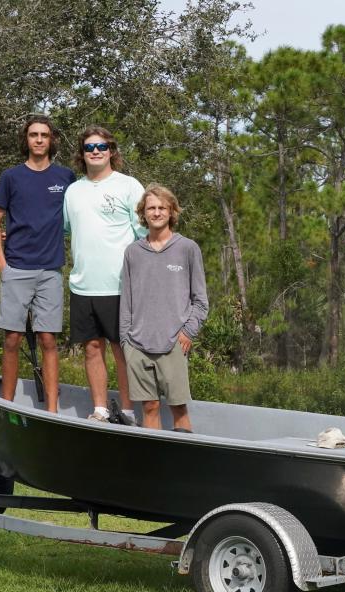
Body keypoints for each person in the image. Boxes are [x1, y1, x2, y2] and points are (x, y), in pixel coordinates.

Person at [0, 114, 75, 413]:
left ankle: (52, 410)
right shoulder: (10, 177)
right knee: (11, 339)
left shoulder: (66, 178)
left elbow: (76, 217)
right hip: (17, 268)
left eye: (44, 135)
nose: (39, 139)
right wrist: (3, 264)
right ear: (26, 140)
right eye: (33, 135)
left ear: (52, 141)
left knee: (48, 339)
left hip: (50, 271)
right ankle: (6, 406)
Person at [63, 126, 145, 423]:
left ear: (111, 151)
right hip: (83, 285)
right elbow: (60, 230)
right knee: (92, 348)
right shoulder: (73, 191)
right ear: (81, 154)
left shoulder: (129, 186)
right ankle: (99, 409)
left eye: (101, 146)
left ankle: (125, 411)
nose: (95, 151)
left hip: (121, 285)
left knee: (122, 351)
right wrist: (15, 236)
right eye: (89, 147)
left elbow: (146, 234)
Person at [120, 184, 208, 431]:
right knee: (149, 407)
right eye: (151, 208)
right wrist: (126, 342)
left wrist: (188, 332)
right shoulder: (132, 252)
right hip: (137, 345)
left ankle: (183, 465)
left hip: (173, 345)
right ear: (143, 213)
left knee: (178, 407)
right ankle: (153, 465)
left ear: (171, 212)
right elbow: (126, 301)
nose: (156, 213)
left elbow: (200, 300)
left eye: (162, 208)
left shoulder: (187, 249)